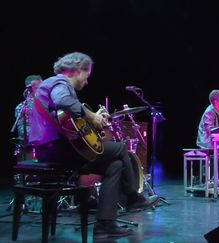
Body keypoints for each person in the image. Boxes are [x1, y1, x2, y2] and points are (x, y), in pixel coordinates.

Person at [28, 52, 159, 239]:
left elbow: (65, 117)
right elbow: (63, 101)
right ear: (78, 70)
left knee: (115, 165)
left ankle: (105, 225)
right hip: (56, 150)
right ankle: (133, 198)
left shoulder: (51, 84)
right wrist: (90, 116)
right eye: (87, 76)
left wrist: (91, 120)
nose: (87, 82)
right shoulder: (60, 83)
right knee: (121, 148)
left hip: (53, 150)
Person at [13, 75, 43, 160]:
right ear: (29, 90)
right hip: (31, 149)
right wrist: (42, 134)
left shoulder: (47, 104)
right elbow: (22, 131)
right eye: (38, 88)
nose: (42, 90)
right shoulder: (21, 107)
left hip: (48, 146)